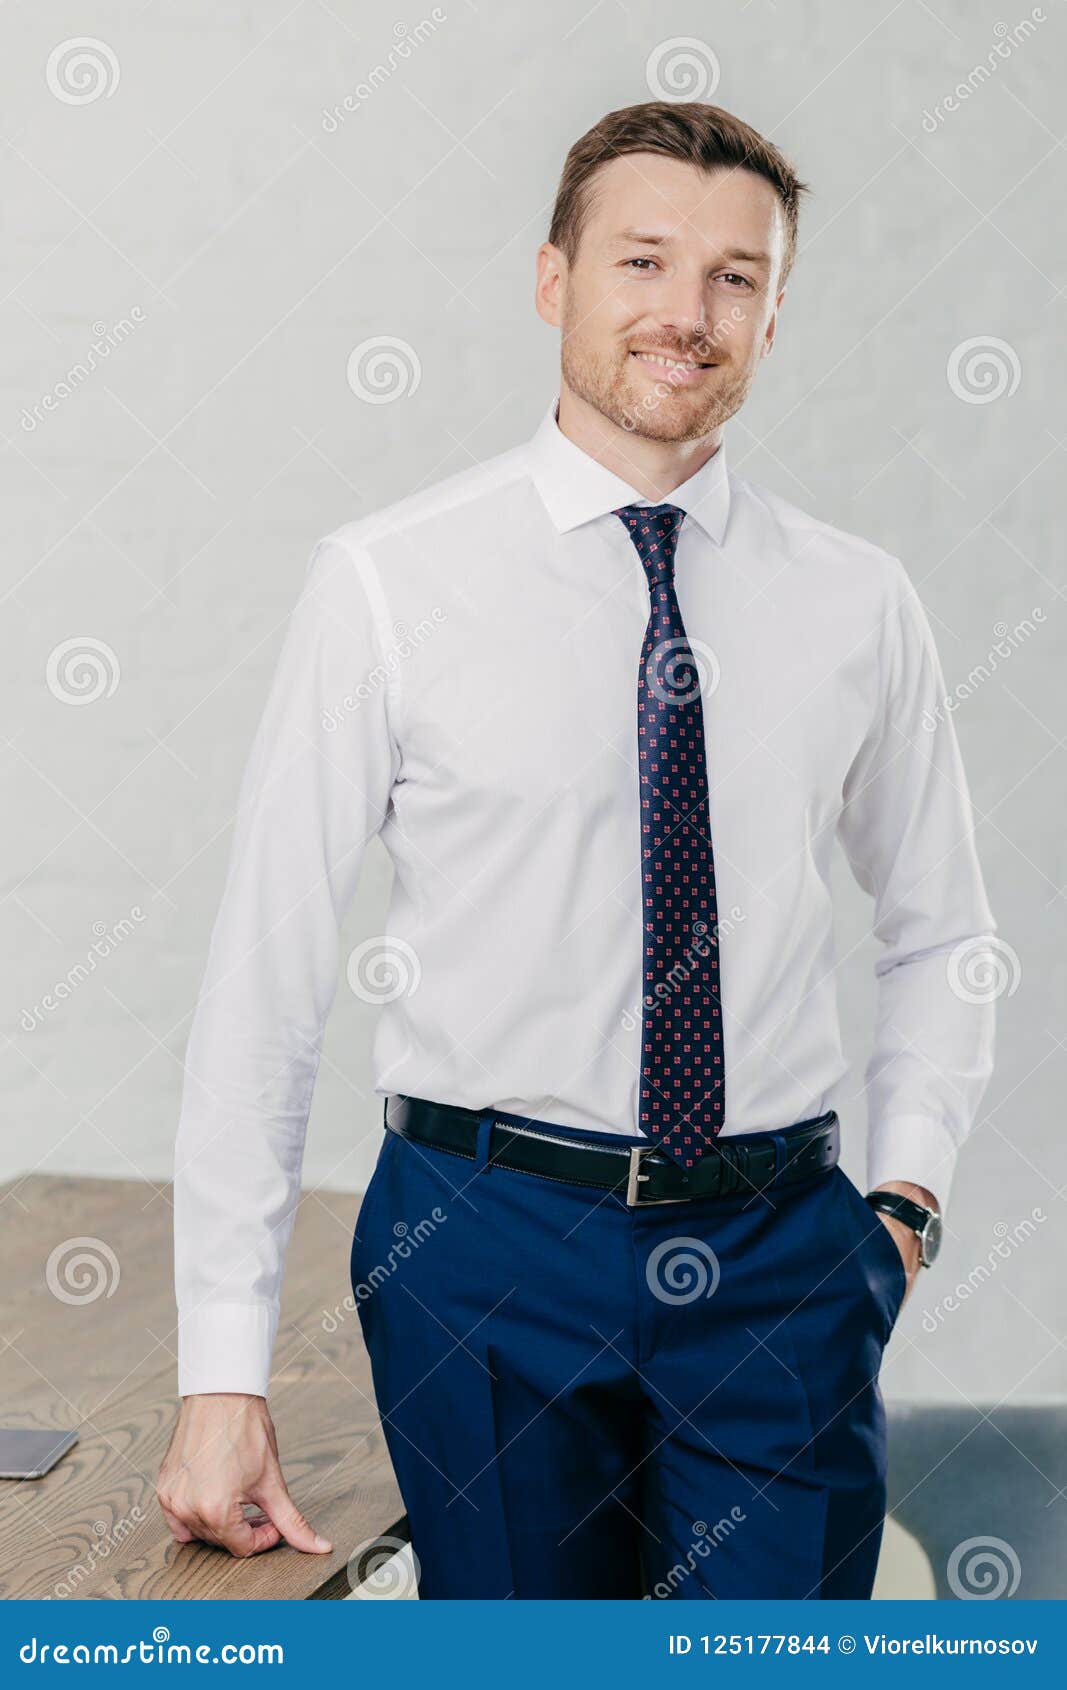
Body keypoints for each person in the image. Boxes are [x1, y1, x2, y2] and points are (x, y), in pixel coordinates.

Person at [158, 100, 996, 1598]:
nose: (687, 313)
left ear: (775, 313)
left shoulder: (858, 604)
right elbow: (267, 976)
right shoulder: (386, 584)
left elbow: (941, 930)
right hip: (483, 1253)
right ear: (554, 279)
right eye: (644, 262)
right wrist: (222, 1368)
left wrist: (902, 1212)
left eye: (736, 277)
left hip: (780, 1260)